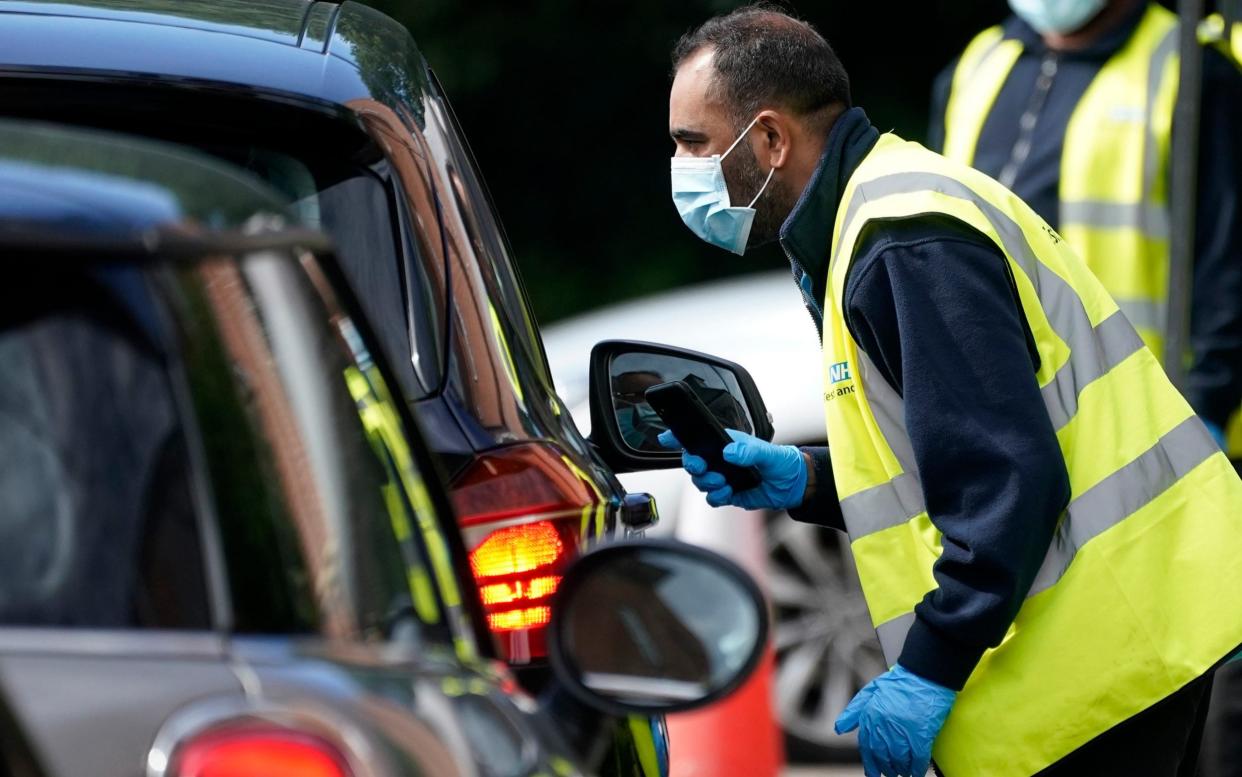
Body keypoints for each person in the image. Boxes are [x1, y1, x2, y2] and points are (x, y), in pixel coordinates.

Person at [663, 6, 1242, 776]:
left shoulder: (900, 238)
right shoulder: (869, 218)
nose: (681, 166)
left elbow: (1006, 478)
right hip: (1109, 636)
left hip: (1112, 650)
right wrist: (807, 478)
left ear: (769, 140)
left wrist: (929, 666)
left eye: (692, 142)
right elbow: (950, 450)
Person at [928, 0, 1242, 460]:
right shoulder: (978, 64)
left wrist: (1205, 407)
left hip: (1149, 433)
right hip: (1003, 426)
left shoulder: (1192, 69)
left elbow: (1229, 261)